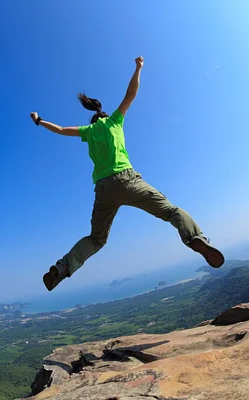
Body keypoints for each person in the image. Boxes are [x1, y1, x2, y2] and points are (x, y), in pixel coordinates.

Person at [30, 56, 224, 291]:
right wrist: (138, 67)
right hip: (128, 180)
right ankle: (196, 238)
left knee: (96, 239)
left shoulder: (88, 132)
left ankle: (62, 269)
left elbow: (60, 130)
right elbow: (131, 94)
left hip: (103, 189)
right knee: (171, 212)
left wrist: (39, 121)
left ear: (92, 121)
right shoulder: (114, 122)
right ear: (104, 116)